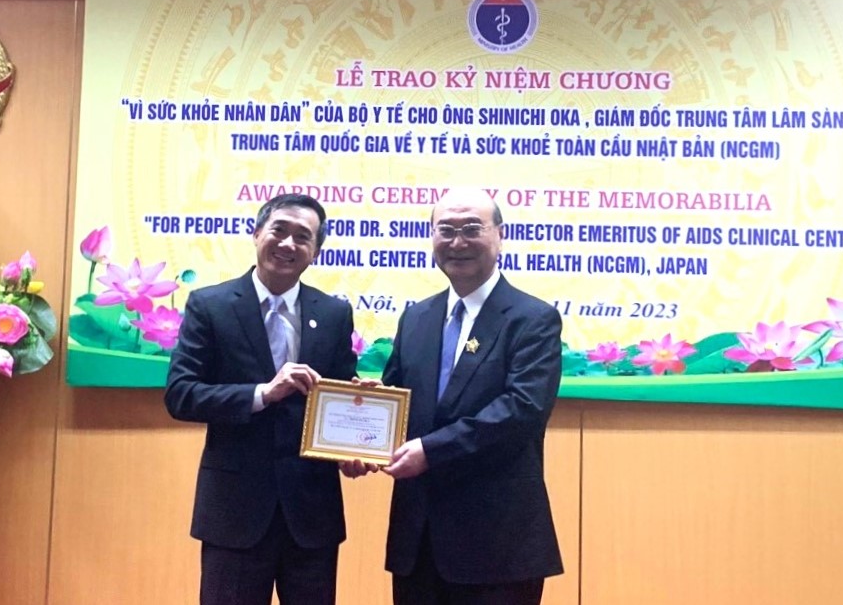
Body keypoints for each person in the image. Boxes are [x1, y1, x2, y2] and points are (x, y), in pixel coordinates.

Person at [164, 193, 358, 605]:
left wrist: (355, 444)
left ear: (315, 252)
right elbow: (181, 395)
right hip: (234, 512)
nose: (288, 243)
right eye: (279, 230)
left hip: (311, 515)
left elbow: (339, 397)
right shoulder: (211, 305)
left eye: (302, 237)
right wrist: (262, 394)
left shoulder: (335, 314)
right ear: (256, 234)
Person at [380, 187, 563, 604]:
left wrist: (430, 450)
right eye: (446, 230)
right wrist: (363, 439)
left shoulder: (533, 319)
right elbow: (397, 401)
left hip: (498, 544)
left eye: (471, 229)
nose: (457, 242)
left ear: (500, 235)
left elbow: (523, 409)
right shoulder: (416, 317)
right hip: (418, 540)